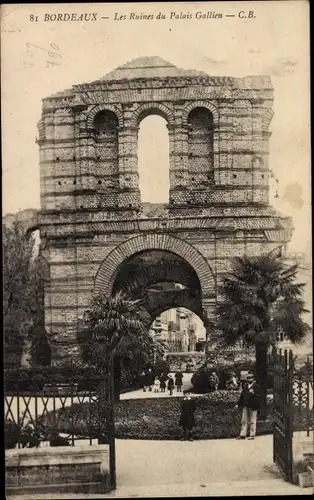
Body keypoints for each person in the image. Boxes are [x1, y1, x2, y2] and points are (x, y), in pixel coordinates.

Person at [235, 371, 261, 440]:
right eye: (247, 378)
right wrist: (238, 404)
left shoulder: (256, 386)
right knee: (244, 420)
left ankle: (252, 435)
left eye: (250, 377)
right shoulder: (245, 386)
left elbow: (260, 397)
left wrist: (254, 394)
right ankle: (242, 435)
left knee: (252, 420)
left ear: (253, 378)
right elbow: (242, 395)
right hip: (246, 405)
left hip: (253, 405)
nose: (249, 379)